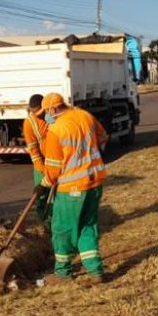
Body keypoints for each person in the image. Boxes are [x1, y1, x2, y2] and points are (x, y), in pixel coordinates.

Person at [34, 92, 108, 284]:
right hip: (95, 183)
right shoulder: (84, 115)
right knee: (87, 226)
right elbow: (103, 137)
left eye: (45, 113)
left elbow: (53, 168)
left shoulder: (56, 130)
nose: (44, 117)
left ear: (52, 109)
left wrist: (42, 186)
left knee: (63, 229)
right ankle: (95, 270)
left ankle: (63, 273)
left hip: (72, 188)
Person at [23, 94, 50, 223]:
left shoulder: (56, 116)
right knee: (42, 196)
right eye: (35, 113)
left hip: (61, 163)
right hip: (43, 164)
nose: (39, 115)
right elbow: (34, 152)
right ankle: (46, 223)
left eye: (41, 112)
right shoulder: (29, 123)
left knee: (61, 197)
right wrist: (45, 172)